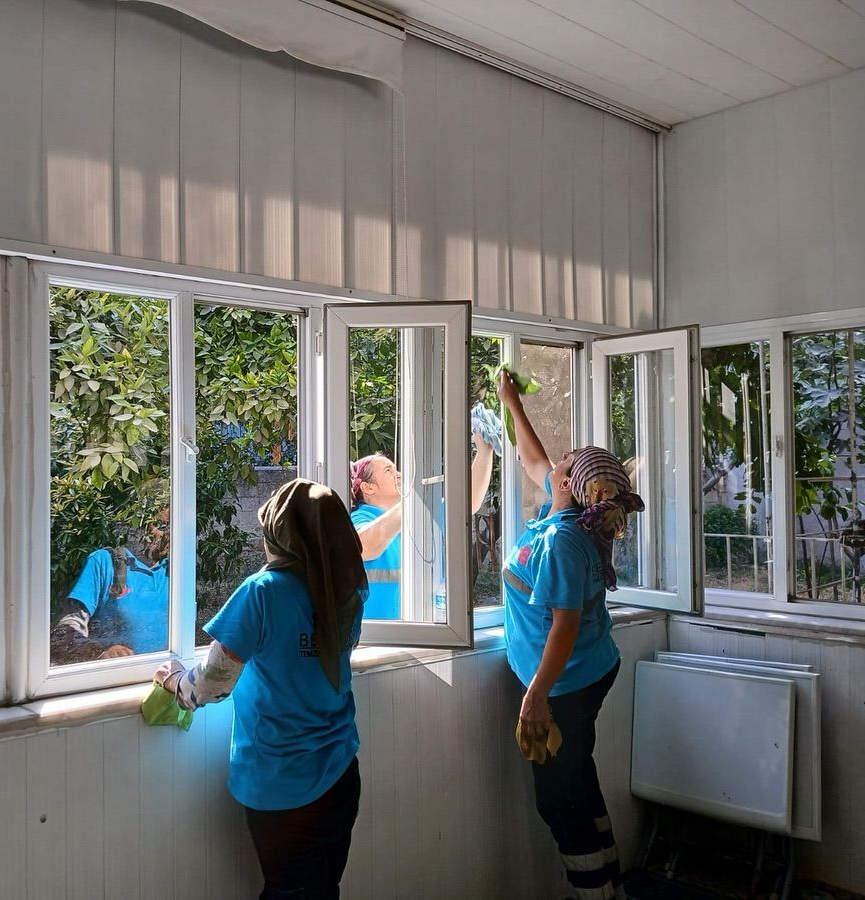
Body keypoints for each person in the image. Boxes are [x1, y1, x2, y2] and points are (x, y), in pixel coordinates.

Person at [155, 479, 368, 900]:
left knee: (290, 892)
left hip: (284, 782)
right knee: (323, 890)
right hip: (341, 771)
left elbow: (213, 685)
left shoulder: (263, 593)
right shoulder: (347, 591)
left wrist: (174, 680)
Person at [497, 371, 644, 900]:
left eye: (565, 461)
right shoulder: (571, 516)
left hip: (566, 685)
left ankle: (594, 893)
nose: (555, 460)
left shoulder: (561, 539)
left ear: (568, 485)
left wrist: (536, 697)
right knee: (577, 782)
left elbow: (565, 625)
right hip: (589, 670)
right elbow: (533, 459)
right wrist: (511, 403)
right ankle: (610, 888)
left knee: (559, 800)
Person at [350, 422, 498, 619]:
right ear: (368, 488)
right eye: (389, 471)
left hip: (420, 634)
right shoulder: (360, 518)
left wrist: (485, 451)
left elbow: (468, 501)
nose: (399, 475)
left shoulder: (415, 514)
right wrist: (414, 500)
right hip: (377, 640)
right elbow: (365, 546)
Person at [52, 506, 170, 663]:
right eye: (162, 526)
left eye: (172, 527)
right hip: (115, 678)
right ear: (140, 525)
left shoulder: (174, 572)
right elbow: (67, 631)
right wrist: (101, 653)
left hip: (168, 677)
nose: (169, 534)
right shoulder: (104, 562)